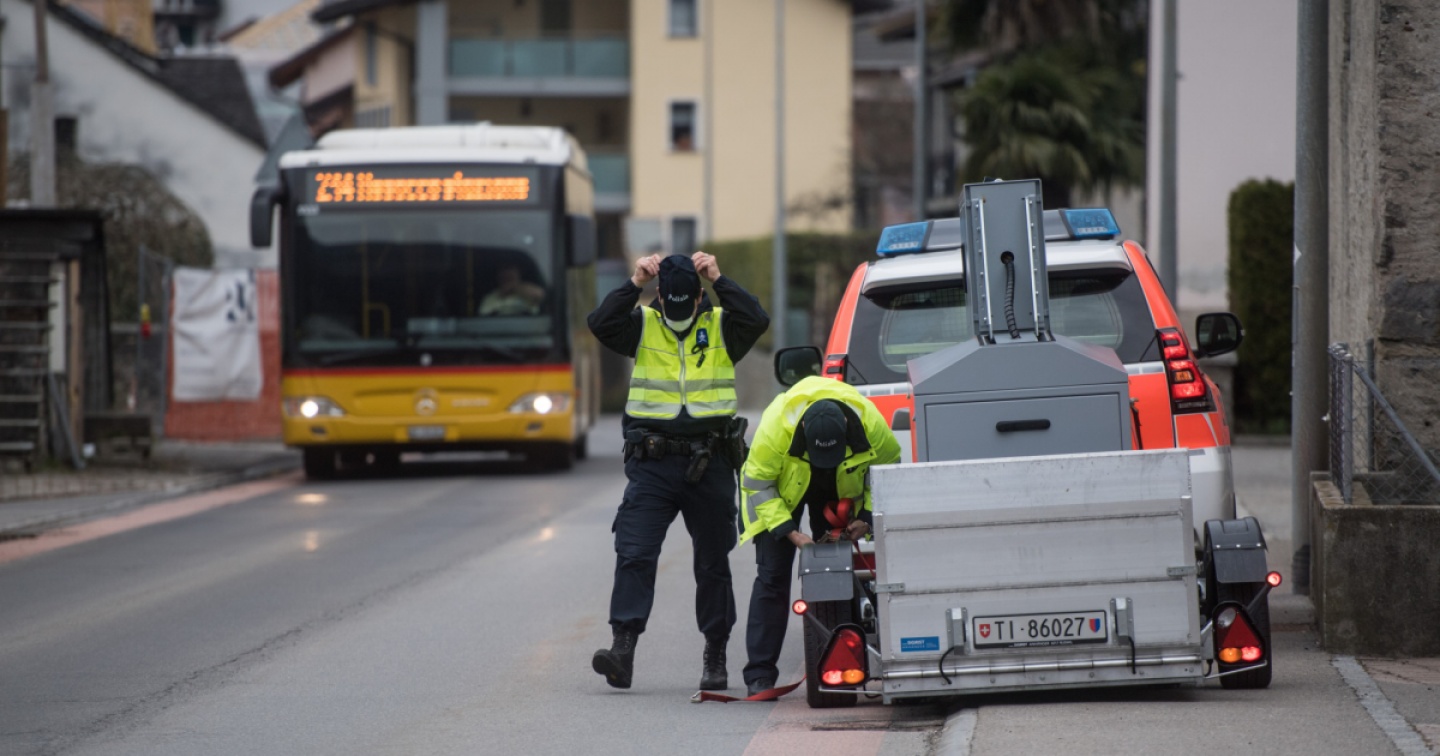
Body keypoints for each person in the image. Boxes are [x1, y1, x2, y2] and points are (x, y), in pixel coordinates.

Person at [587, 251, 769, 692]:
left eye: (688, 303)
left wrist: (719, 279)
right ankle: (623, 648)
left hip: (711, 461)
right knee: (635, 552)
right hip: (653, 465)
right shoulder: (642, 325)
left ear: (699, 297)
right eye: (672, 303)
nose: (679, 311)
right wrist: (633, 282)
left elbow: (757, 319)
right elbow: (601, 323)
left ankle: (715, 654)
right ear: (660, 296)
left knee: (713, 563)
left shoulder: (722, 326)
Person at [738, 376, 901, 697]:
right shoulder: (775, 430)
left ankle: (840, 663)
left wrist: (866, 517)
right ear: (803, 432)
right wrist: (789, 532)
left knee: (834, 570)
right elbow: (758, 484)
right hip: (781, 489)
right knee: (772, 576)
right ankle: (759, 672)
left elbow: (888, 473)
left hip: (834, 485)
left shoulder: (872, 427)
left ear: (847, 429)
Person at [479, 263, 545, 316]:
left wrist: (515, 288)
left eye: (510, 269)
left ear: (518, 273)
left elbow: (539, 295)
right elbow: (483, 316)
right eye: (503, 270)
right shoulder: (491, 297)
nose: (506, 273)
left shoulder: (528, 289)